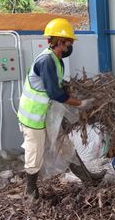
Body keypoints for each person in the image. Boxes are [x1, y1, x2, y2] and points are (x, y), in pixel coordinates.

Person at [18, 18, 94, 199]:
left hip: (47, 116)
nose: (71, 46)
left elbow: (54, 86)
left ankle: (88, 179)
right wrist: (80, 103)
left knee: (65, 147)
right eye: (69, 42)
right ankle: (31, 191)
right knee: (34, 153)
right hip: (33, 118)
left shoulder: (56, 59)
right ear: (60, 42)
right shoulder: (47, 60)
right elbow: (54, 93)